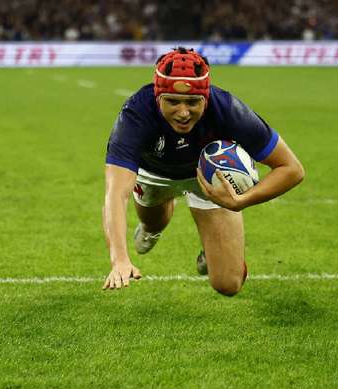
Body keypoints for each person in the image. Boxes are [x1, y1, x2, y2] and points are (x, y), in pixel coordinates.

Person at [102, 47, 304, 295]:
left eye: (192, 102)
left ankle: (211, 251)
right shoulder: (135, 116)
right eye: (173, 102)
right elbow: (115, 194)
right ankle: (151, 228)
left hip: (209, 178)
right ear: (157, 98)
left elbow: (292, 168)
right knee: (154, 221)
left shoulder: (228, 110)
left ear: (206, 99)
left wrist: (241, 200)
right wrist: (119, 259)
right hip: (153, 175)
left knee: (228, 285)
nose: (183, 112)